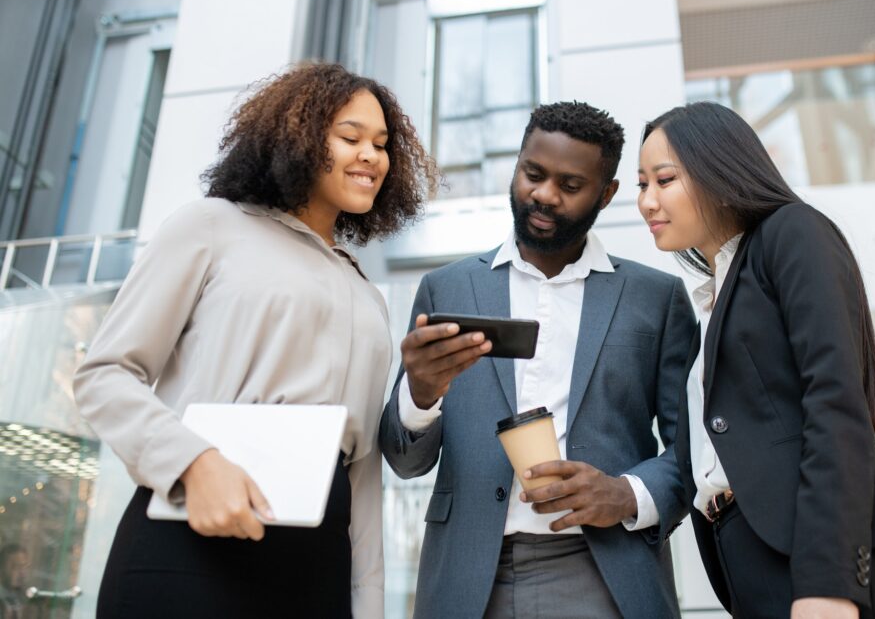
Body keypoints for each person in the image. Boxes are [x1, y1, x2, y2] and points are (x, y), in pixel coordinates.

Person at [73, 62, 438, 618]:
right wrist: (192, 462)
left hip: (316, 566)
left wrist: (367, 605)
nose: (372, 156)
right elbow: (104, 375)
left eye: (382, 144)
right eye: (350, 137)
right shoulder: (211, 227)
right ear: (298, 138)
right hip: (192, 534)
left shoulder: (367, 296)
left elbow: (359, 472)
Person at [380, 101, 695, 618]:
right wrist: (419, 396)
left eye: (570, 186)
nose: (544, 195)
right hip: (467, 575)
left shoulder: (655, 298)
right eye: (533, 174)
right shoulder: (448, 288)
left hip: (604, 569)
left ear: (607, 193)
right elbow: (405, 460)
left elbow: (693, 451)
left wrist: (626, 493)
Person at [636, 101, 875, 618]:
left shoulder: (791, 232)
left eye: (663, 179)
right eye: (642, 185)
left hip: (819, 552)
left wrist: (830, 580)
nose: (646, 201)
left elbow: (835, 404)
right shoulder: (710, 300)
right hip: (750, 559)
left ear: (719, 168)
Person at [0, 544, 28, 619]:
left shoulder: (22, 596)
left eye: (23, 567)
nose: (22, 573)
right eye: (15, 566)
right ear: (2, 568)